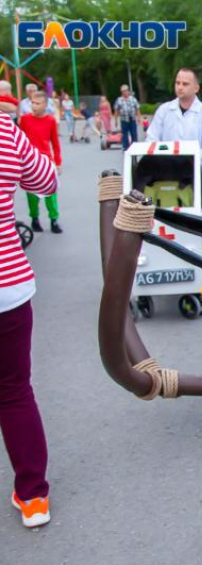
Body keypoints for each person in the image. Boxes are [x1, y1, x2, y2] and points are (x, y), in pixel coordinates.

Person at [0, 109, 59, 528]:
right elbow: (45, 180)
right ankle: (33, 496)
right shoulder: (4, 128)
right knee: (14, 390)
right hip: (7, 284)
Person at [145, 68, 202, 216]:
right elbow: (152, 138)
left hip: (196, 171)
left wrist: (191, 157)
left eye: (185, 84)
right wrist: (163, 156)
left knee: (199, 214)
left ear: (196, 88)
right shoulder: (164, 110)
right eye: (177, 83)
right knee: (168, 212)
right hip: (167, 171)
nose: (180, 87)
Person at [19, 92, 62, 234]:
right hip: (30, 161)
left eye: (37, 103)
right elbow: (20, 140)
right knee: (31, 193)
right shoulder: (25, 119)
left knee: (51, 193)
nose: (33, 105)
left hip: (46, 162)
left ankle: (54, 220)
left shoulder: (50, 121)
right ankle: (34, 218)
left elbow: (55, 143)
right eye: (32, 102)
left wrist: (58, 162)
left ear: (45, 105)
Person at [113, 84, 142, 150]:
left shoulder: (133, 99)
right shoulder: (119, 100)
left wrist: (139, 118)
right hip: (124, 119)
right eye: (123, 91)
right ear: (121, 92)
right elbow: (116, 110)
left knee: (134, 133)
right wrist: (116, 120)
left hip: (132, 119)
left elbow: (137, 108)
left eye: (126, 91)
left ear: (128, 91)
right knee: (125, 134)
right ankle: (126, 147)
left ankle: (135, 146)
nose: (125, 92)